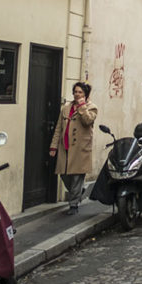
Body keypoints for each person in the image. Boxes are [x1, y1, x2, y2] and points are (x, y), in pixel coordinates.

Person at [49, 82, 98, 214]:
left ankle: (73, 205)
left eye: (80, 92)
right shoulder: (66, 108)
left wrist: (82, 108)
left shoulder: (92, 107)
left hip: (80, 149)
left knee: (76, 176)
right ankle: (78, 192)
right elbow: (59, 127)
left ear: (85, 94)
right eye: (75, 91)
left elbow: (88, 121)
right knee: (64, 175)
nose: (77, 94)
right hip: (65, 146)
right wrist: (53, 146)